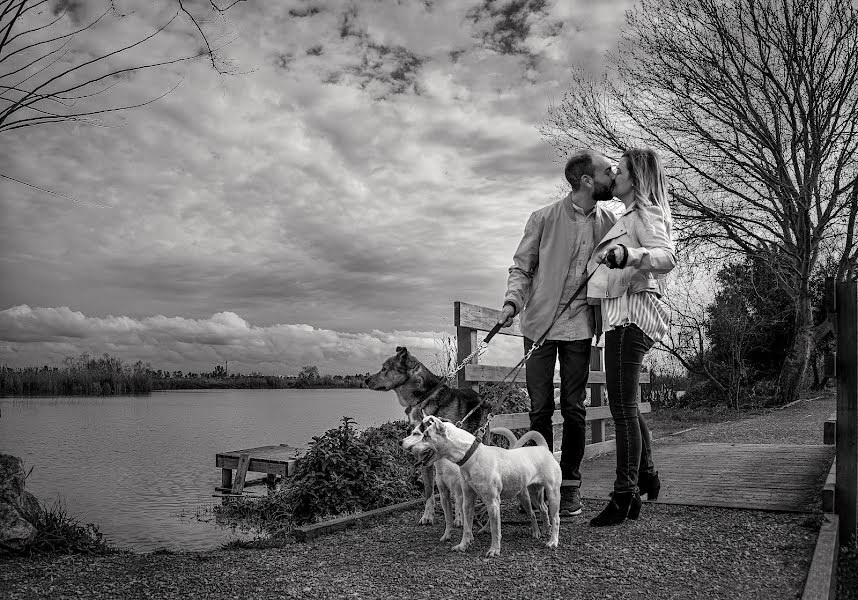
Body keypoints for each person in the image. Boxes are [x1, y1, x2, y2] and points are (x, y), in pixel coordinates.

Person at [497, 149, 618, 517]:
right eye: (606, 171)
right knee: (539, 409)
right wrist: (511, 304)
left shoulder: (611, 222)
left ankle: (569, 487)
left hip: (581, 326)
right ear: (586, 180)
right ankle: (536, 485)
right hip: (539, 327)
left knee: (575, 408)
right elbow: (521, 268)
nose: (612, 176)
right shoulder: (543, 218)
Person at [586, 147, 676, 526]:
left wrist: (630, 255)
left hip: (632, 319)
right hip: (622, 319)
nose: (614, 176)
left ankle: (625, 495)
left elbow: (666, 256)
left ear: (635, 178)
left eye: (619, 171)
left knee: (621, 409)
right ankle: (648, 475)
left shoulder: (646, 213)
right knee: (627, 405)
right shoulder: (628, 216)